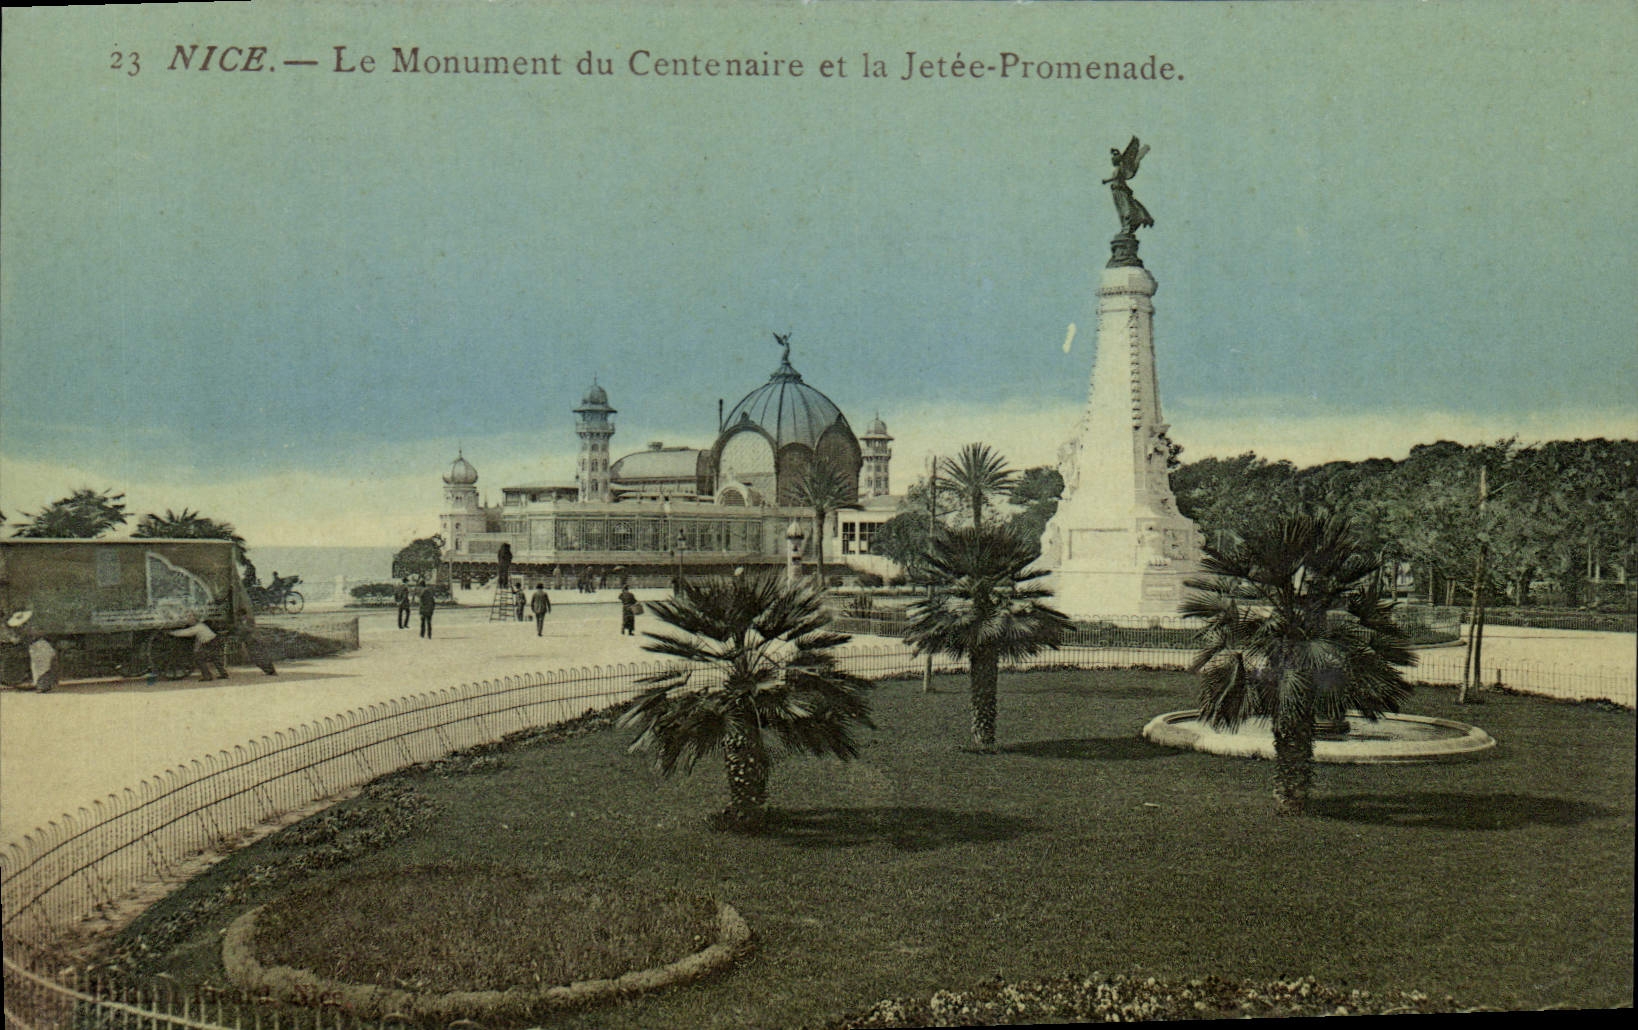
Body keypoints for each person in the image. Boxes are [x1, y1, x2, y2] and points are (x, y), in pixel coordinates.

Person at [170, 613, 228, 681]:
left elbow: (186, 632)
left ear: (194, 620)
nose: (188, 622)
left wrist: (172, 633)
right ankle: (223, 674)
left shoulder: (197, 627)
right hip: (213, 641)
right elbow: (198, 639)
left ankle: (207, 676)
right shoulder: (200, 625)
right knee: (215, 658)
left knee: (199, 659)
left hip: (211, 642)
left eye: (190, 620)